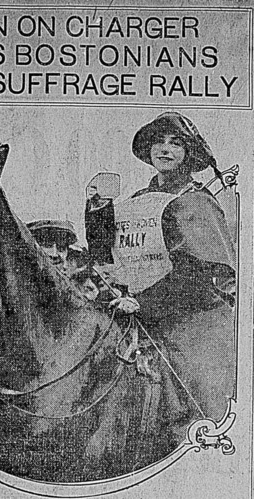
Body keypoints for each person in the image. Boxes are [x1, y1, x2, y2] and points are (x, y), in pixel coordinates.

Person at [86, 112, 236, 445]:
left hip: (191, 318)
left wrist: (143, 302)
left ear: (190, 154)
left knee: (189, 397)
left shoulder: (196, 204)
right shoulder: (138, 201)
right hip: (132, 309)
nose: (164, 149)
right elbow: (108, 252)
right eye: (159, 141)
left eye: (176, 143)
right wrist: (96, 210)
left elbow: (198, 274)